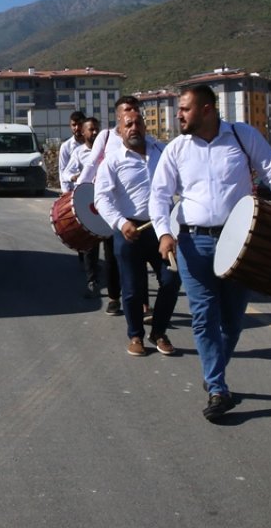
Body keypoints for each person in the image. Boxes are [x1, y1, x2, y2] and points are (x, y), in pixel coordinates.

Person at [150, 84, 271, 422]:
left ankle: (214, 373)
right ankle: (217, 387)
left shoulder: (242, 136)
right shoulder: (176, 149)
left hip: (241, 241)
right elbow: (159, 195)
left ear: (207, 110)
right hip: (193, 244)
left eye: (184, 108)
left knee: (232, 320)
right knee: (203, 316)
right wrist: (164, 233)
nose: (178, 115)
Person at [94, 110, 180, 358]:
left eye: (138, 123)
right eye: (128, 124)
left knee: (172, 280)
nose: (134, 128)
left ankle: (159, 332)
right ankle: (136, 335)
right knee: (132, 289)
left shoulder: (161, 152)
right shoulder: (112, 161)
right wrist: (120, 223)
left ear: (145, 126)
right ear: (119, 130)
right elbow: (101, 198)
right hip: (129, 230)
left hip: (161, 228)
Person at [77, 98, 143, 315]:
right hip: (108, 208)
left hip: (135, 208)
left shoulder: (142, 137)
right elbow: (91, 164)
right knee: (112, 256)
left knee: (137, 259)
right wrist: (77, 195)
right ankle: (114, 297)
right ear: (118, 116)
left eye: (135, 110)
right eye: (127, 110)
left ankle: (143, 302)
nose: (131, 114)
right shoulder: (105, 137)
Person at [63, 117, 102, 298]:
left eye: (96, 129)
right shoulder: (79, 153)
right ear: (84, 132)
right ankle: (91, 280)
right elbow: (66, 173)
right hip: (88, 203)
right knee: (90, 245)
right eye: (91, 130)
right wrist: (76, 177)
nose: (94, 133)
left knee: (110, 247)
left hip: (107, 203)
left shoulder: (108, 151)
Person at [58, 111, 88, 194]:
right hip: (73, 192)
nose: (77, 128)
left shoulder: (93, 144)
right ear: (70, 126)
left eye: (80, 124)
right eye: (74, 125)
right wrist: (66, 193)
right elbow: (62, 171)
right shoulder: (66, 147)